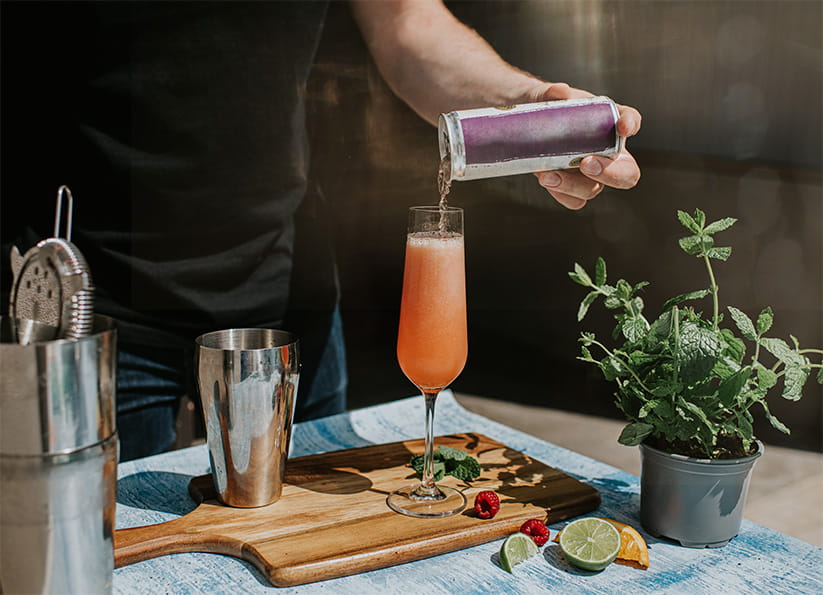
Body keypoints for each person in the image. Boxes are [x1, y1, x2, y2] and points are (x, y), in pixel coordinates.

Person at [0, 1, 641, 461]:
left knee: (310, 542)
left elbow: (406, 22)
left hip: (282, 286)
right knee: (96, 551)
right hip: (93, 297)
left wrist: (523, 108)